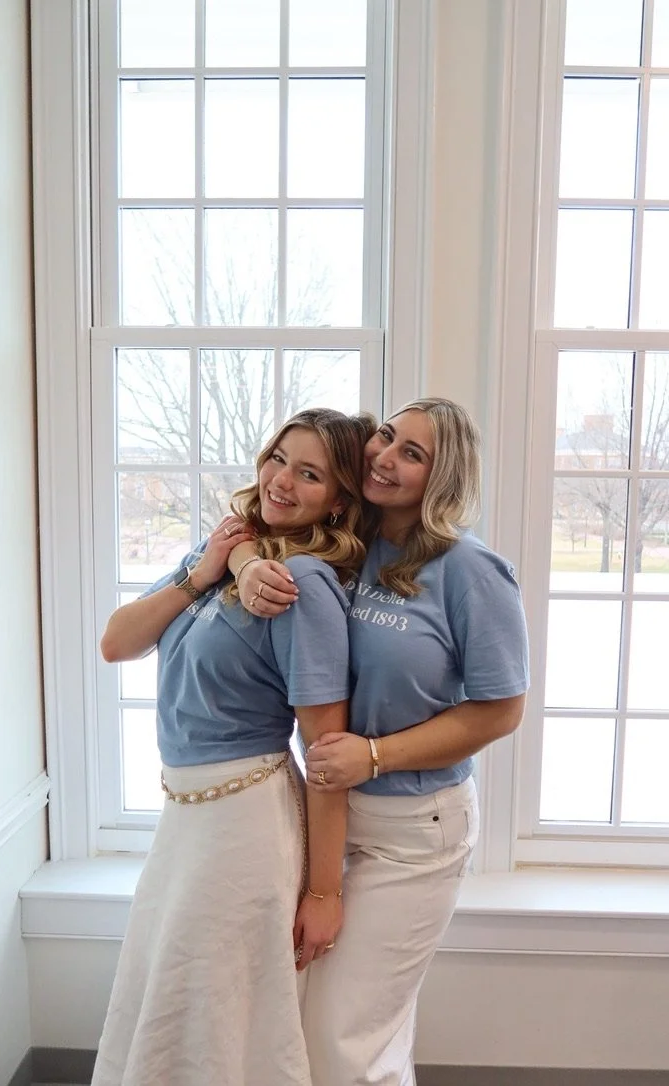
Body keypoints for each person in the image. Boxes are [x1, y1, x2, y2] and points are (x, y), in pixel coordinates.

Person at [228, 397, 530, 1086]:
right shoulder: (349, 540)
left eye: (412, 453)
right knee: (327, 1029)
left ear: (441, 476)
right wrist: (246, 563)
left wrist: (374, 755)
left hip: (414, 830)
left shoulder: (470, 571)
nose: (386, 457)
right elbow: (249, 522)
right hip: (329, 821)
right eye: (387, 438)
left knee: (342, 1043)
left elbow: (500, 711)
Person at [91, 407, 376, 1086]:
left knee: (218, 1013)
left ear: (337, 499)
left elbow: (327, 754)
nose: (282, 480)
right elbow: (116, 642)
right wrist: (210, 567)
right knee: (171, 1002)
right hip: (186, 821)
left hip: (243, 826)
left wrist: (324, 892)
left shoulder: (300, 586)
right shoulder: (221, 553)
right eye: (279, 458)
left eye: (310, 474)